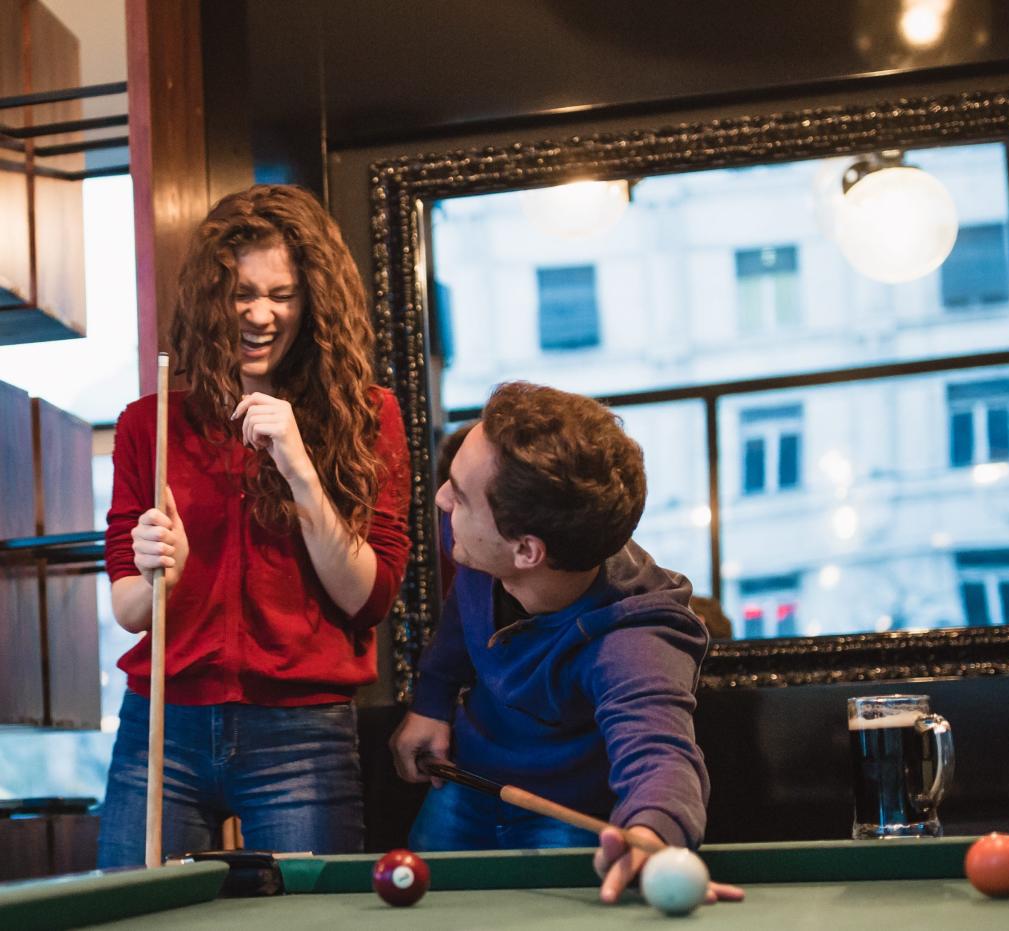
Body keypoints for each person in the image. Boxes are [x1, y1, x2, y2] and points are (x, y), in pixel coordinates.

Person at [98, 184, 412, 867]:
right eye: (241, 293)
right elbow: (127, 608)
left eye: (283, 293)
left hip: (301, 732)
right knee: (128, 919)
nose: (261, 314)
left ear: (313, 300)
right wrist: (159, 573)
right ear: (211, 299)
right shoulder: (148, 424)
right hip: (162, 726)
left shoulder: (366, 416)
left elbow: (369, 596)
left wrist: (299, 467)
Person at [389, 381, 742, 904]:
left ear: (526, 551)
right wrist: (432, 702)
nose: (442, 499)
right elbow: (464, 616)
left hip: (566, 820)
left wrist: (651, 835)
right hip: (463, 785)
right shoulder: (480, 536)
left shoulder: (636, 635)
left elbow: (661, 755)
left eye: (458, 494)